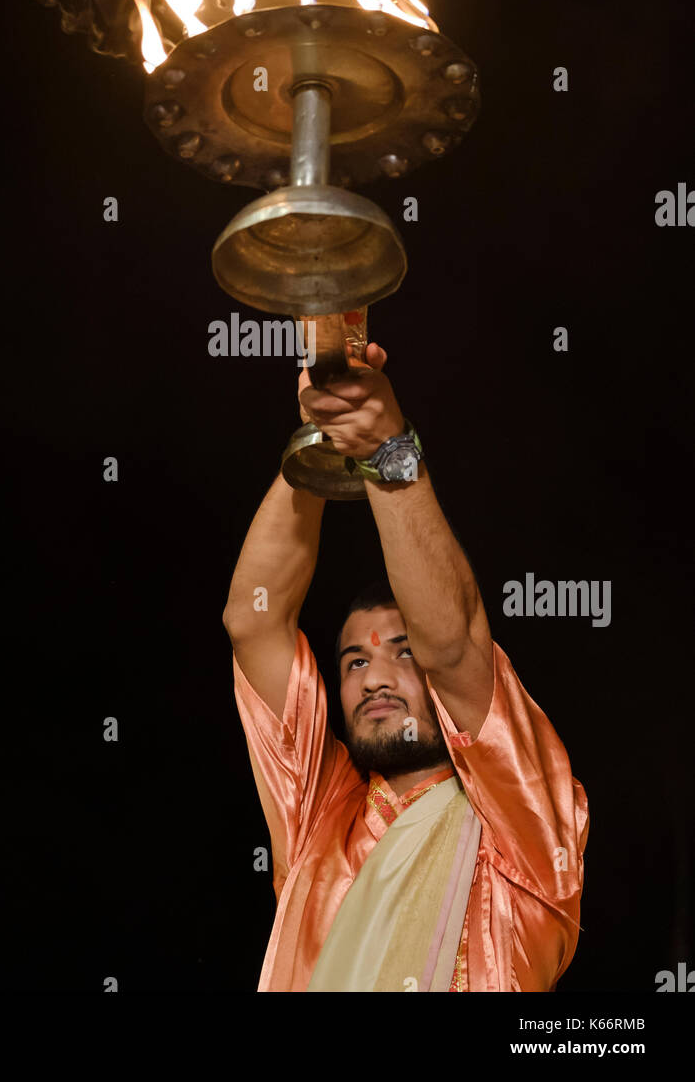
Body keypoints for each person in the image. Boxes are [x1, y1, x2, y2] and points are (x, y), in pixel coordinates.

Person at [222, 342, 588, 992]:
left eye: (401, 650)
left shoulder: (520, 832)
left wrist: (388, 448)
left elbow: (451, 646)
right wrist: (318, 444)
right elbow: (255, 621)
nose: (374, 676)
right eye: (355, 660)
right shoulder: (319, 824)